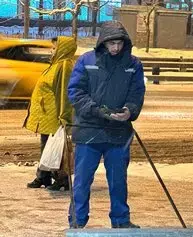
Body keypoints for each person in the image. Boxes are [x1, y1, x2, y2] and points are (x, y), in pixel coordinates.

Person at [67, 21, 145, 229]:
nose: (116, 48)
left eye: (119, 43)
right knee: (82, 181)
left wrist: (129, 110)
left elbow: (137, 93)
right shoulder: (86, 61)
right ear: (103, 42)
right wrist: (95, 110)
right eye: (112, 43)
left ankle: (120, 220)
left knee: (118, 180)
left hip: (118, 132)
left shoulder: (133, 65)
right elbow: (75, 92)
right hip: (88, 130)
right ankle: (77, 221)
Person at [24, 36, 77, 191]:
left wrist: (64, 117)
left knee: (57, 148)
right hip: (46, 115)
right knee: (46, 146)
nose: (51, 51)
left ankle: (61, 179)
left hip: (55, 115)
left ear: (62, 49)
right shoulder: (55, 64)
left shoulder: (64, 65)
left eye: (54, 48)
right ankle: (43, 176)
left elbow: (63, 93)